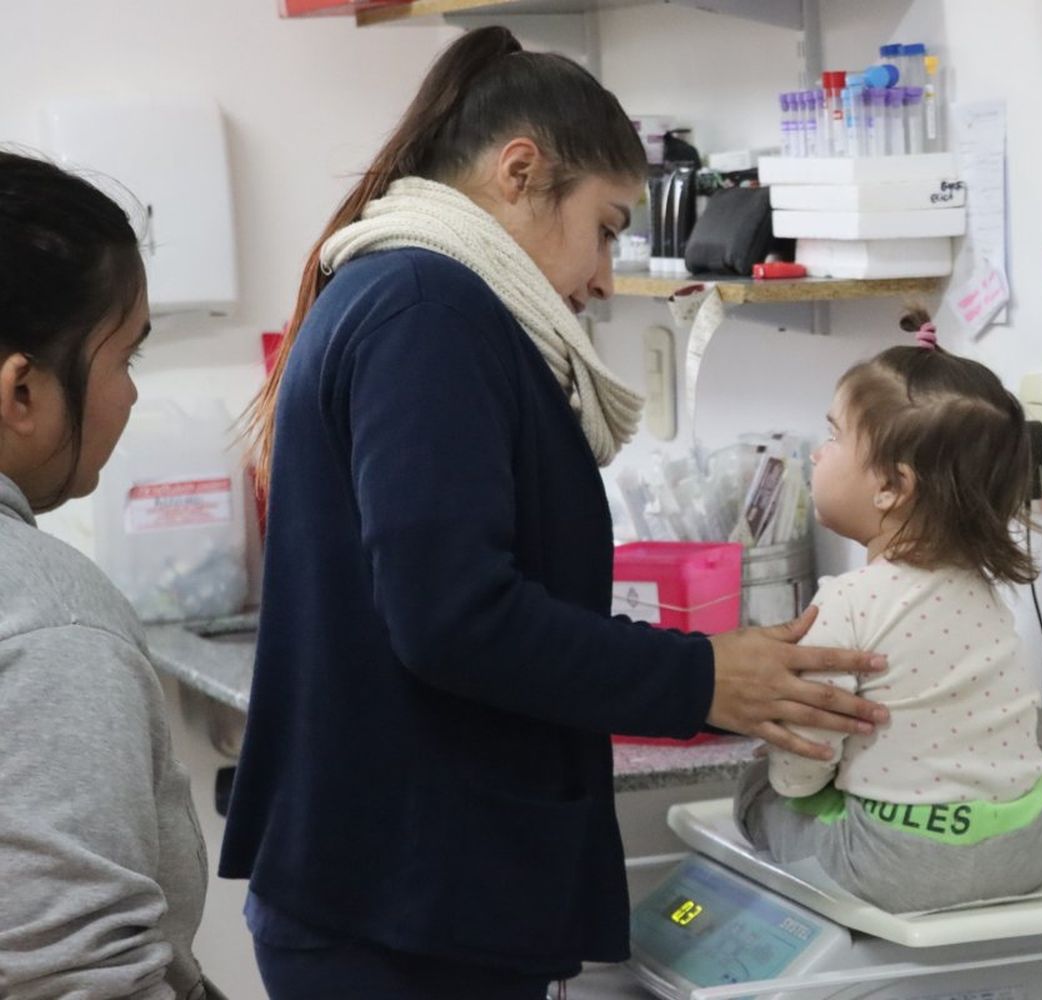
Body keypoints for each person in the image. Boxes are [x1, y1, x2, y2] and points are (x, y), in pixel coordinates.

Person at [220, 26, 889, 998]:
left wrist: (709, 681)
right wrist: (698, 677)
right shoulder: (426, 310)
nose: (606, 277)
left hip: (403, 883)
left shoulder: (417, 298)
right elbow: (455, 615)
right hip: (399, 903)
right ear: (519, 173)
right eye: (610, 226)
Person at [734, 313, 1042, 913]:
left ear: (893, 485)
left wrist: (784, 779)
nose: (818, 454)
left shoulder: (844, 602)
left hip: (896, 863)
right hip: (1028, 851)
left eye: (834, 435)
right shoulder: (987, 595)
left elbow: (807, 758)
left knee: (762, 787)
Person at [0, 151, 216, 999]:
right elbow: (77, 981)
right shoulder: (51, 626)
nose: (128, 397)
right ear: (23, 391)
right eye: (126, 358)